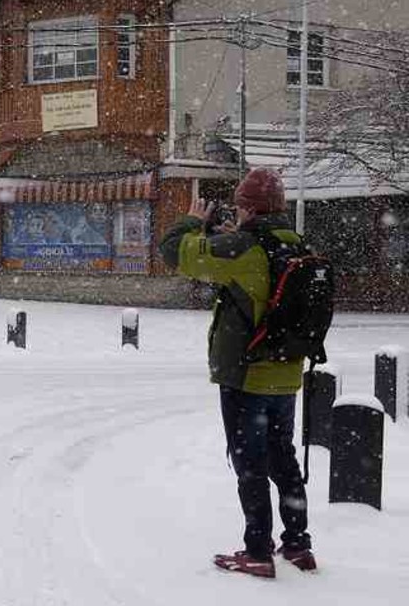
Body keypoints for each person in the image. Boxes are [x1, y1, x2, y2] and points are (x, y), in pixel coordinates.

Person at [158, 168, 317, 579]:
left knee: (251, 464)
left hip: (248, 376)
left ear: (246, 206)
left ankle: (257, 551)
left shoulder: (244, 247)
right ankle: (298, 545)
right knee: (283, 457)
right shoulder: (294, 242)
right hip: (286, 373)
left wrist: (193, 220)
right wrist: (234, 235)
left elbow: (175, 251)